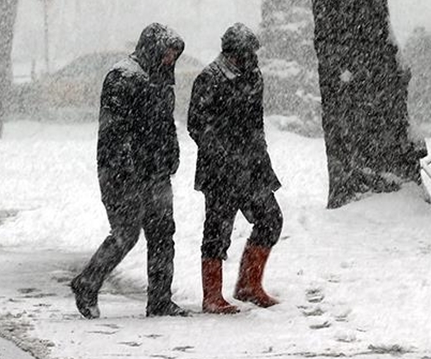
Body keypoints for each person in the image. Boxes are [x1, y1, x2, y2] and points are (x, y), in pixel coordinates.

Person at [70, 23, 190, 318]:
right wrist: (125, 169)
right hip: (123, 173)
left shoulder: (161, 80)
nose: (170, 60)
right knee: (126, 232)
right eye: (167, 53)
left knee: (163, 234)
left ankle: (160, 300)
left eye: (175, 55)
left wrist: (171, 154)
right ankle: (87, 283)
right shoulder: (123, 77)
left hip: (156, 172)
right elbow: (114, 131)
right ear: (153, 48)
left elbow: (164, 125)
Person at [187, 23, 283, 314]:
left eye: (253, 52)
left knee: (271, 219)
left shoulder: (254, 76)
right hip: (220, 171)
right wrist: (223, 154)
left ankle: (249, 285)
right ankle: (212, 296)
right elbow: (197, 125)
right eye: (247, 53)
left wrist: (259, 156)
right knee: (217, 230)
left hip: (253, 167)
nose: (252, 58)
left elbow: (256, 122)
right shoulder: (209, 78)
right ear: (232, 52)